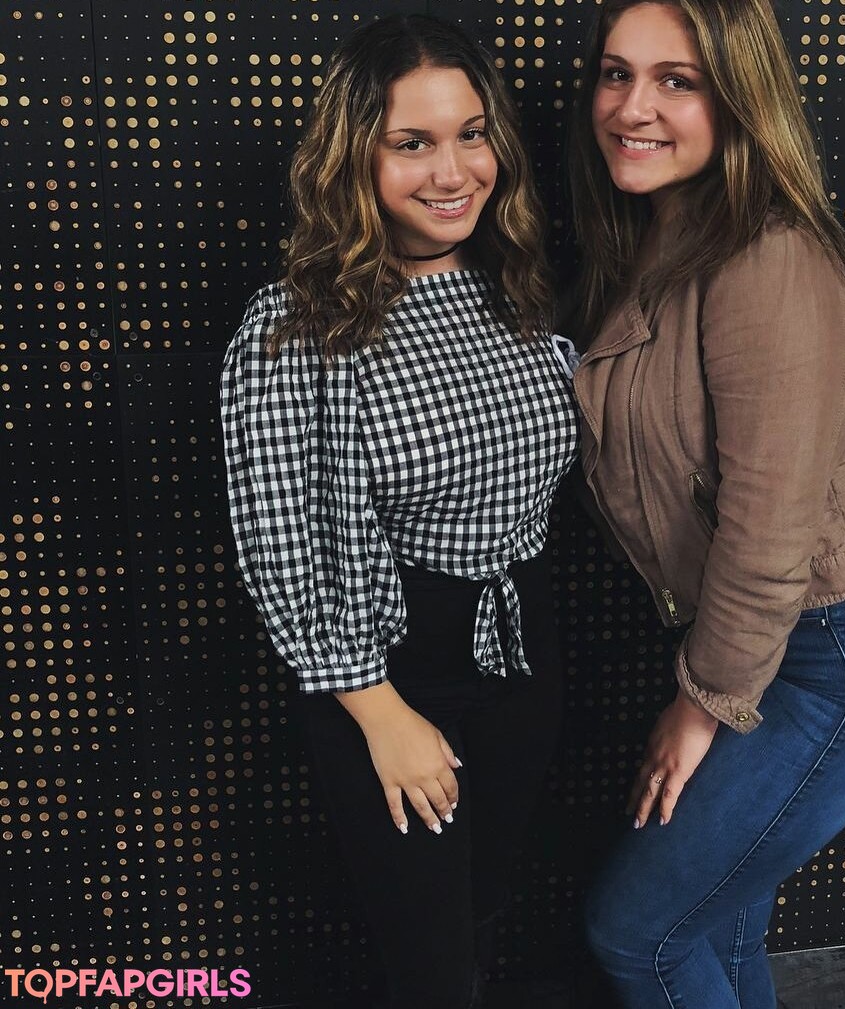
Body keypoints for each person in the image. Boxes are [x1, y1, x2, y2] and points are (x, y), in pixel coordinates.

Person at [567, 1, 845, 1006]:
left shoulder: (767, 257)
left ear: (739, 99)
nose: (631, 107)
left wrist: (702, 703)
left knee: (640, 933)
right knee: (713, 927)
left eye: (676, 81)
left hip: (842, 655)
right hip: (762, 639)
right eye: (616, 73)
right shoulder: (663, 233)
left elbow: (770, 525)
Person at [219, 16, 578, 1009]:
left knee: (483, 915)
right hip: (386, 665)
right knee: (430, 965)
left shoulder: (517, 291)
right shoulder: (293, 327)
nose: (452, 171)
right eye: (412, 143)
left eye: (472, 134)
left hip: (520, 648)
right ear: (355, 159)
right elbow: (278, 540)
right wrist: (381, 711)